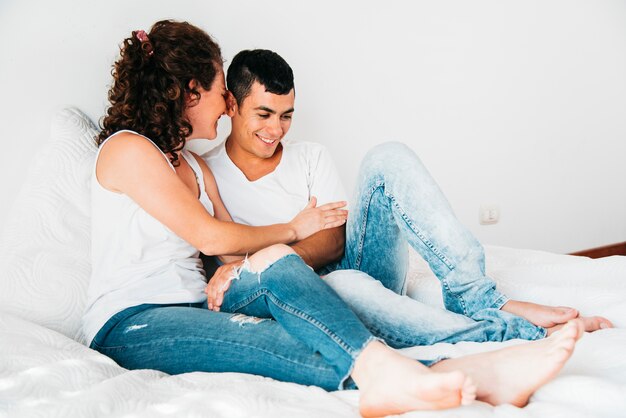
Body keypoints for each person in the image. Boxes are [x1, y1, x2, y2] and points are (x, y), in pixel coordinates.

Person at [84, 20, 584, 418]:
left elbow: (228, 253)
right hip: (132, 320)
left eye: (285, 115)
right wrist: (293, 230)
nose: (223, 105)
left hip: (200, 306)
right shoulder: (128, 150)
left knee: (290, 297)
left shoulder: (191, 163)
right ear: (190, 90)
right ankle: (457, 365)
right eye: (221, 92)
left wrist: (241, 264)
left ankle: (446, 357)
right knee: (288, 332)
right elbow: (207, 234)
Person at [203, 49, 612, 347]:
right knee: (347, 283)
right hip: (303, 293)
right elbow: (220, 255)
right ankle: (517, 333)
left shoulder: (310, 156)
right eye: (264, 114)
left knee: (388, 156)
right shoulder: (208, 172)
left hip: (351, 269)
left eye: (286, 115)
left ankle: (478, 297)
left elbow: (332, 240)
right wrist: (291, 243)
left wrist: (273, 253)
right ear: (233, 106)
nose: (277, 129)